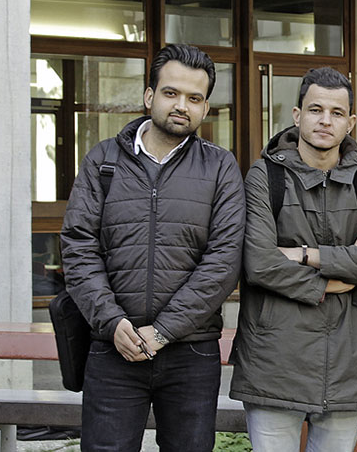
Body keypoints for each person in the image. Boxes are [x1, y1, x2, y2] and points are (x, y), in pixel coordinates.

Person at [60, 44, 245, 452]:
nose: (182, 105)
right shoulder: (103, 160)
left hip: (190, 352)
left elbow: (224, 259)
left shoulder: (220, 167)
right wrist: (112, 323)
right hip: (113, 348)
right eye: (171, 93)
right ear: (149, 96)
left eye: (194, 98)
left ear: (205, 108)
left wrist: (162, 331)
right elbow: (78, 247)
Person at [230, 67, 357, 452]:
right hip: (274, 363)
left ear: (351, 121)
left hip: (346, 364)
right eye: (315, 109)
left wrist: (305, 254)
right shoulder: (264, 176)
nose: (325, 120)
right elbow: (259, 263)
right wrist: (334, 279)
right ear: (296, 114)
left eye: (337, 113)